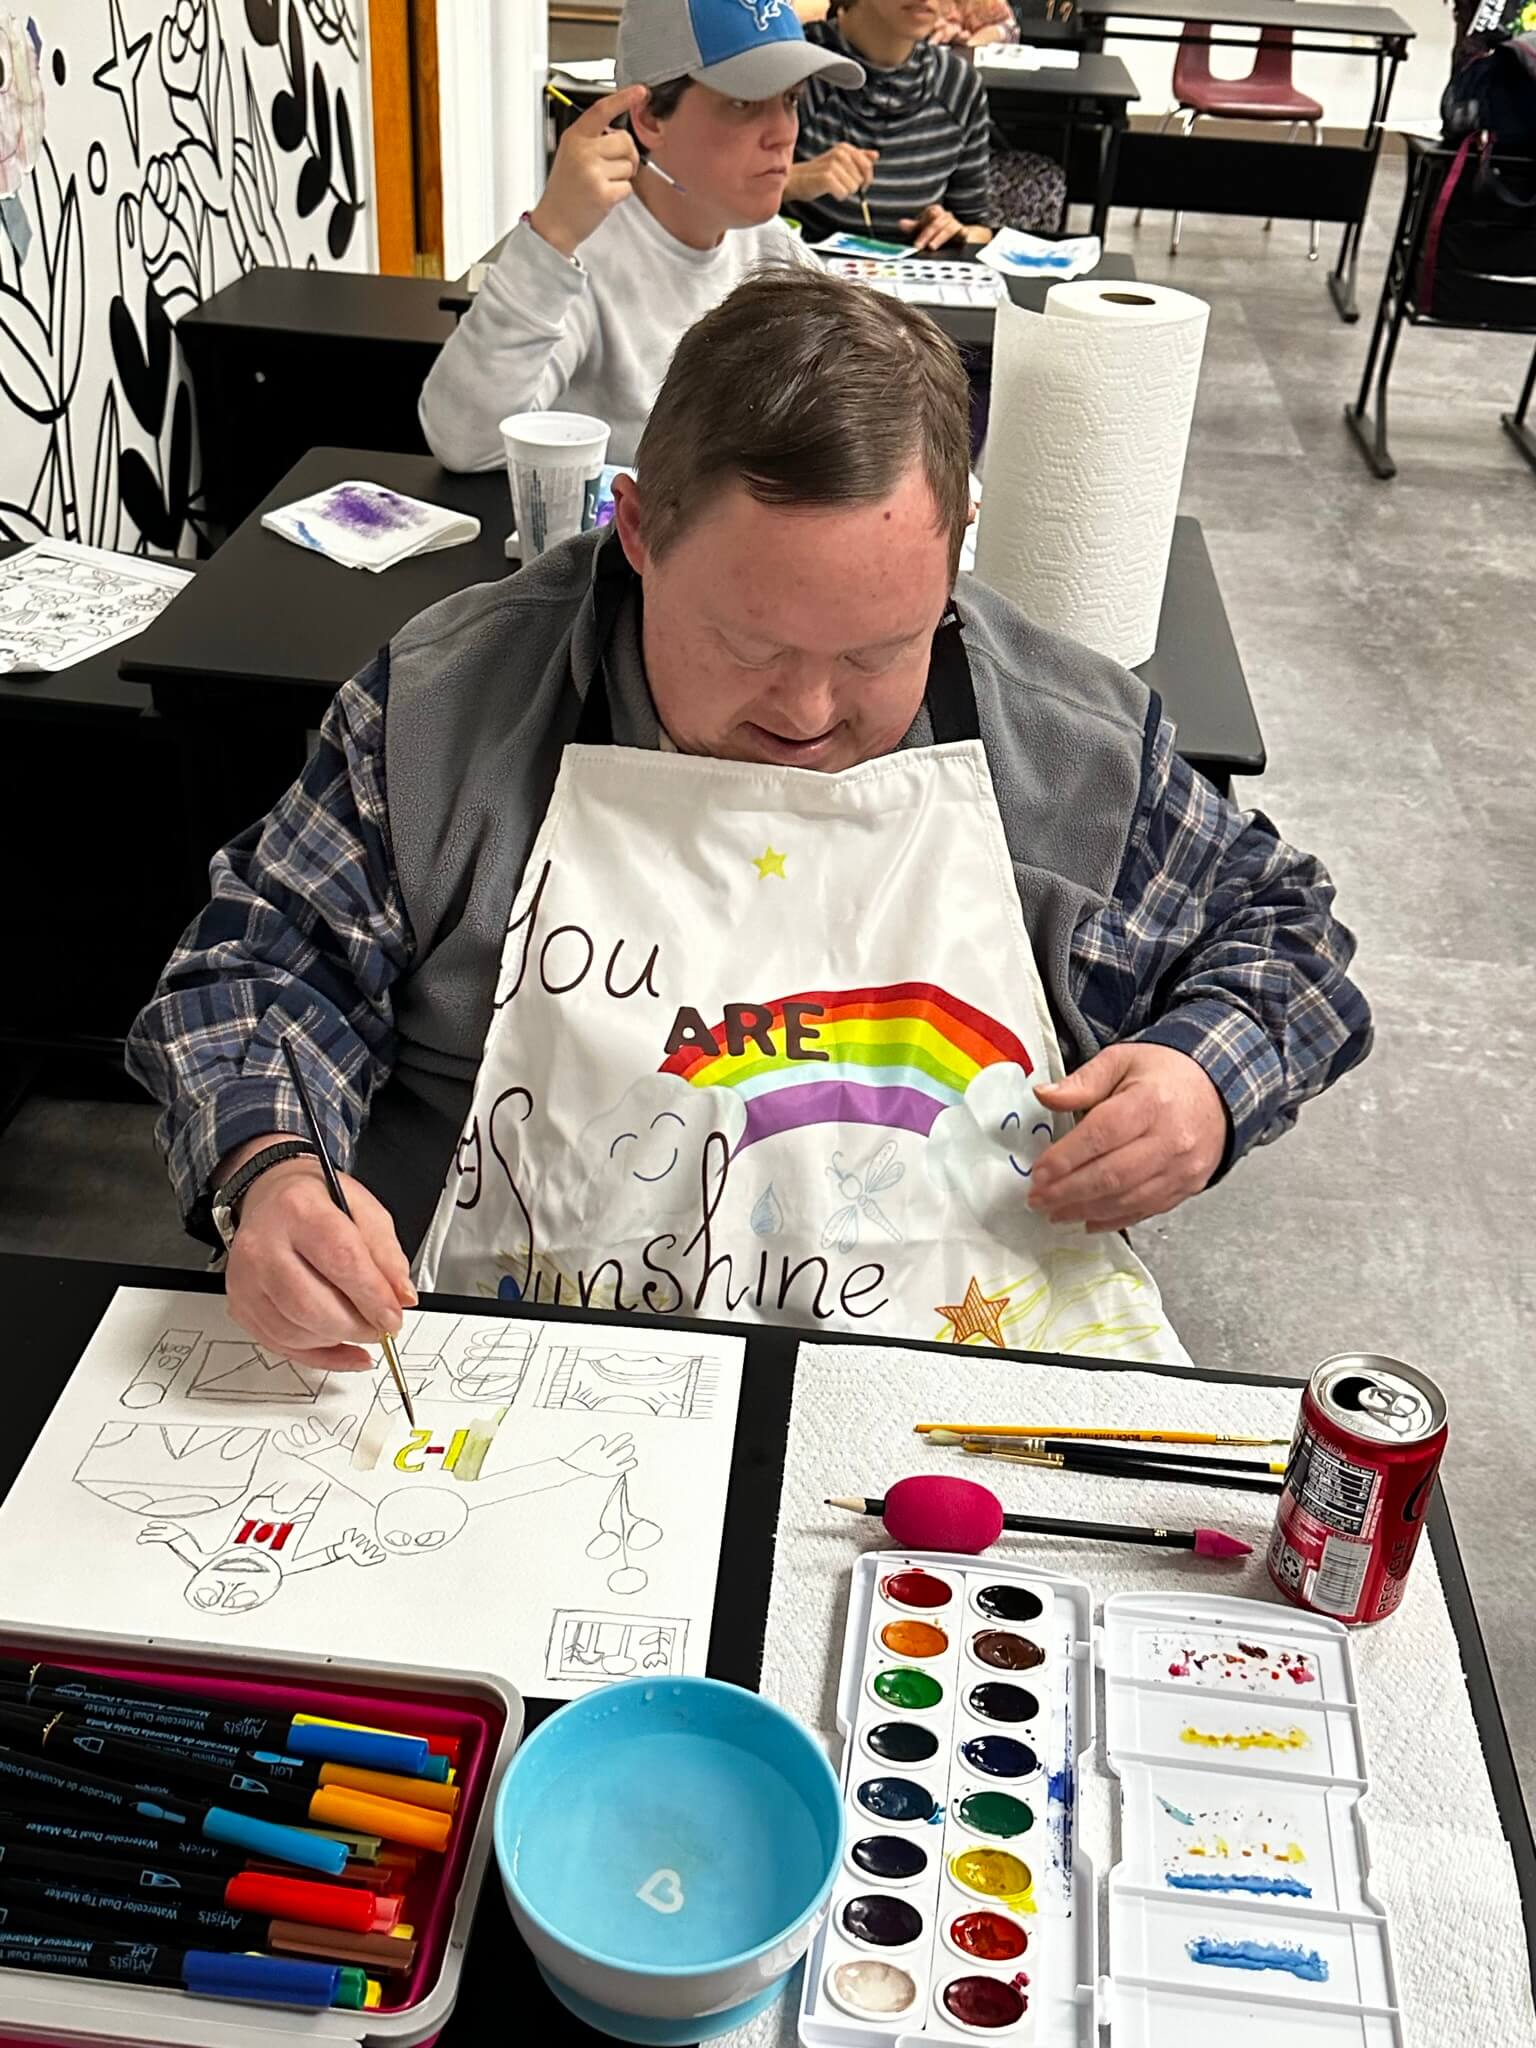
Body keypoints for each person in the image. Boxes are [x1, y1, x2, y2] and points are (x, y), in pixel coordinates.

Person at [129, 270, 1372, 1370]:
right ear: (636, 530)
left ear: (954, 557)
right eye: (747, 644)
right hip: (499, 1352)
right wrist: (272, 1171)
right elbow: (256, 969)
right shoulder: (447, 708)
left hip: (948, 1366)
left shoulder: (1068, 745)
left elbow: (1288, 939)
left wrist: (1205, 1080)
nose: (809, 712)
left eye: (879, 651)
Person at [417, 0, 861, 471]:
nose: (783, 134)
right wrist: (551, 236)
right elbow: (466, 443)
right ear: (649, 117)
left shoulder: (773, 248)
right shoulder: (585, 254)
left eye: (790, 99)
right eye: (743, 103)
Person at [786, 0, 1063, 247]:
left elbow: (977, 227)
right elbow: (756, 212)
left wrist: (954, 232)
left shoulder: (957, 84)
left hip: (909, 277)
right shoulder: (798, 70)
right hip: (802, 273)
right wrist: (792, 181)